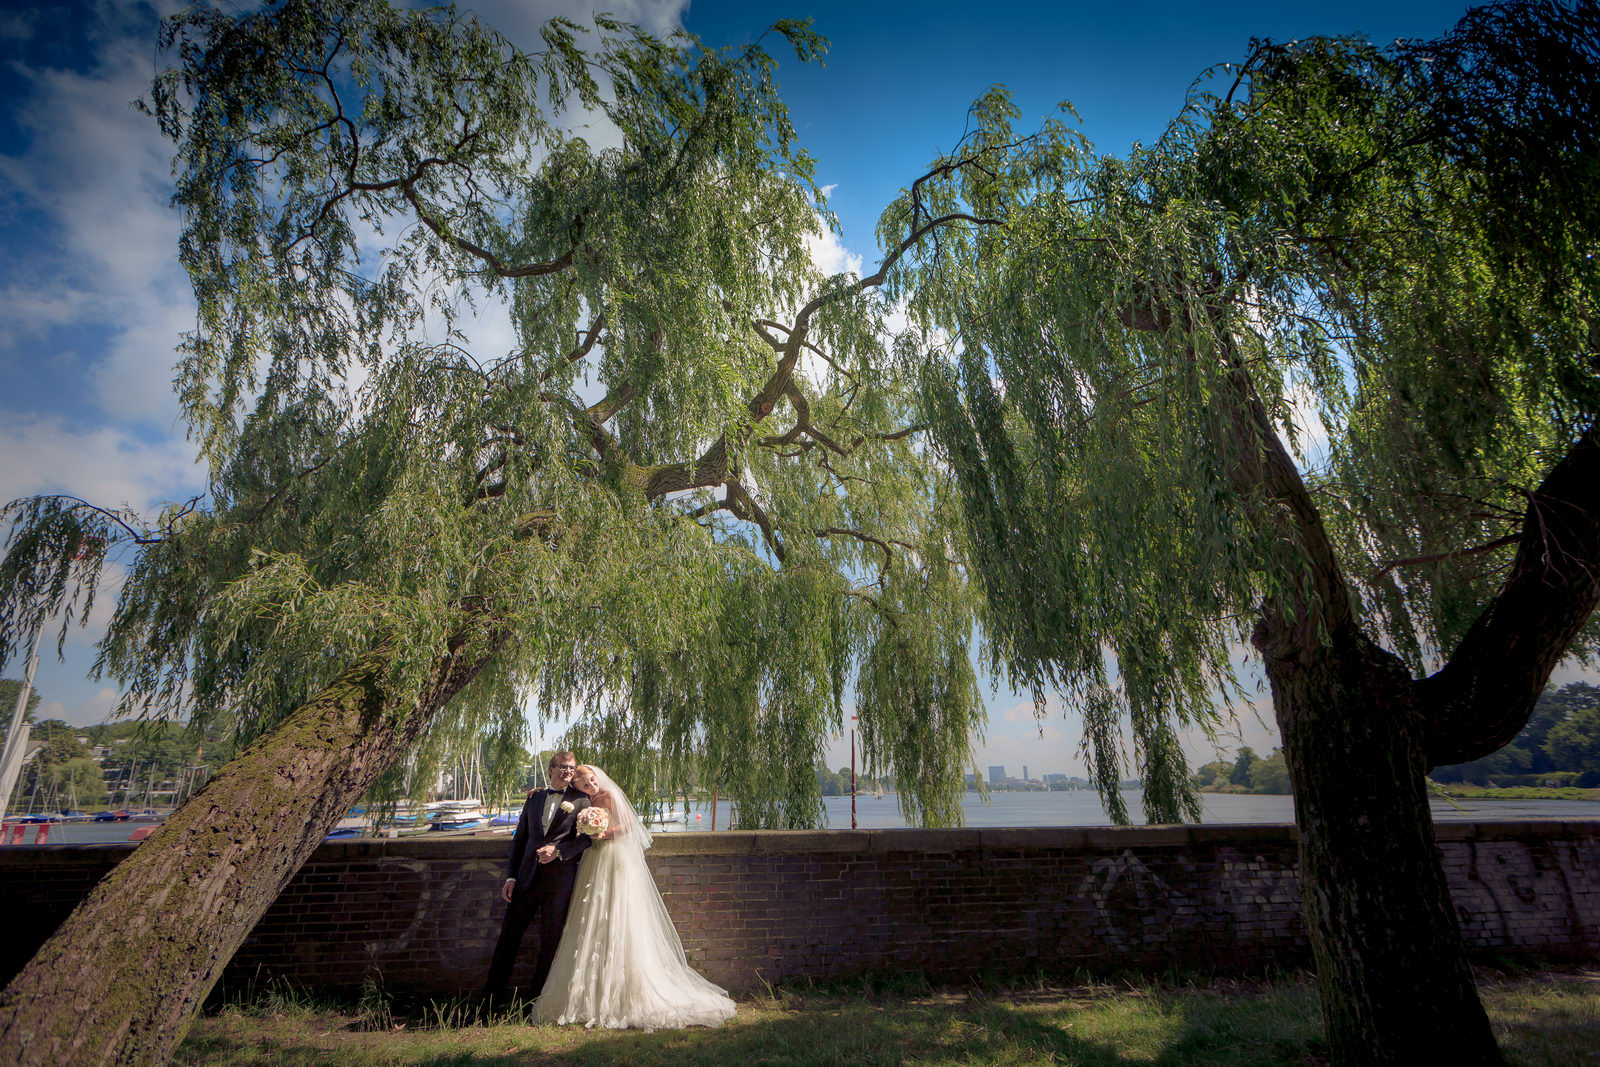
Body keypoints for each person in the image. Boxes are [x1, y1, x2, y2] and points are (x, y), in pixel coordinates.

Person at [534, 764, 736, 1030]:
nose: (591, 786)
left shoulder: (609, 795)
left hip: (614, 857)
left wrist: (603, 833)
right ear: (578, 787)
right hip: (594, 859)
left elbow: (629, 825)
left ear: (597, 777)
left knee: (618, 910)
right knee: (591, 913)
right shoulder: (583, 801)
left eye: (592, 781)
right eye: (585, 785)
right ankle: (589, 991)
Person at [480, 750, 593, 1011]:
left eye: (572, 768)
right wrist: (511, 876)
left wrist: (559, 851)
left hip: (559, 883)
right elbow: (520, 839)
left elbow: (587, 840)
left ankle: (535, 1003)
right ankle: (490, 1002)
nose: (568, 771)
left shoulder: (582, 801)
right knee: (508, 938)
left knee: (550, 942)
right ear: (551, 769)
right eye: (563, 766)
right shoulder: (534, 798)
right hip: (525, 880)